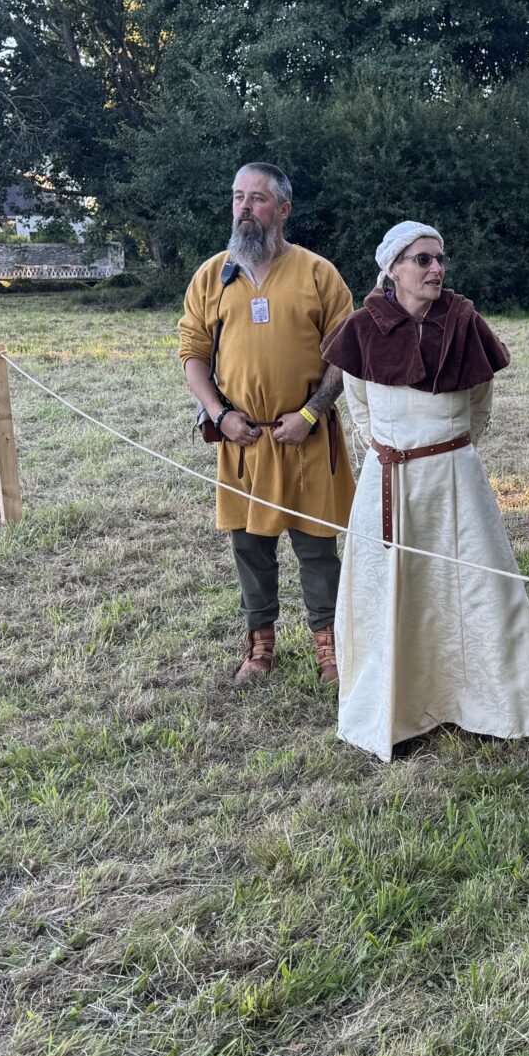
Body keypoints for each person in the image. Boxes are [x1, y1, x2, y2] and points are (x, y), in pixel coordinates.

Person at [322, 221, 529, 760]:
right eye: (422, 259)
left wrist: (446, 452)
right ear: (393, 269)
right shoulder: (362, 328)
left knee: (474, 593)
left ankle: (488, 706)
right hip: (389, 483)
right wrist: (397, 451)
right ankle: (396, 709)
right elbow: (359, 403)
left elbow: (479, 405)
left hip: (456, 480)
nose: (436, 268)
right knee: (391, 594)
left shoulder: (464, 322)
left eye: (439, 259)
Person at [179, 162, 354, 686]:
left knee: (316, 547)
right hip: (243, 439)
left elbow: (345, 354)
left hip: (305, 436)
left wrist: (310, 413)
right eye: (239, 197)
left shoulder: (318, 273)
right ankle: (260, 646)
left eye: (257, 199)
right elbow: (192, 354)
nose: (245, 208)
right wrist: (220, 415)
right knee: (249, 547)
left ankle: (330, 647)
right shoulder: (212, 276)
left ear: (283, 209)